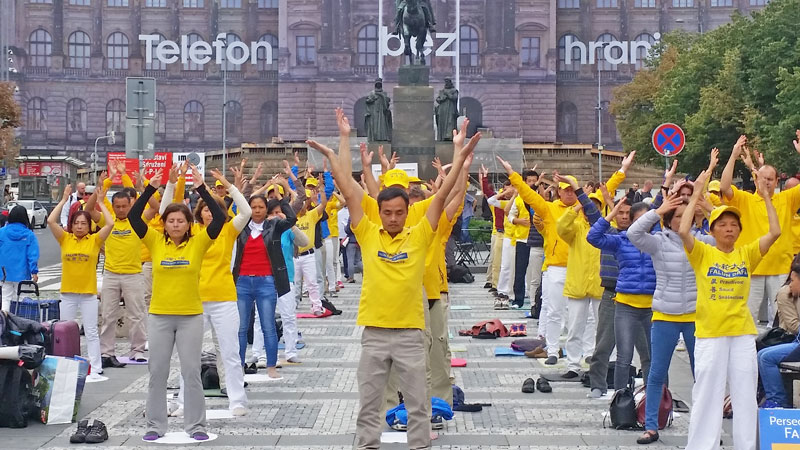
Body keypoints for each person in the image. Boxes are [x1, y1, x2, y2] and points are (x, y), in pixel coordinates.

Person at [306, 114, 478, 450]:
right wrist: (336, 149)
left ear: (408, 208)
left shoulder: (419, 236)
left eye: (400, 211)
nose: (395, 217)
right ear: (380, 211)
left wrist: (459, 156)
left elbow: (444, 196)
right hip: (374, 333)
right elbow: (349, 189)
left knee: (418, 407)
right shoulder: (368, 233)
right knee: (369, 406)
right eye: (388, 212)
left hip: (411, 333)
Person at [680, 167, 780, 450]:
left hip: (741, 333)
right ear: (712, 230)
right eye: (722, 224)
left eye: (733, 224)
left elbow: (775, 231)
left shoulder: (746, 254)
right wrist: (697, 192)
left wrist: (767, 196)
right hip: (711, 333)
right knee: (708, 393)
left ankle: (746, 445)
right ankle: (702, 446)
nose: (729, 229)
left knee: (745, 394)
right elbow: (683, 230)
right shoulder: (702, 252)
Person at [128, 167, 226, 442]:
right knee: (157, 372)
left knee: (191, 372)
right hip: (159, 316)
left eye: (180, 221)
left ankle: (196, 427)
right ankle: (155, 426)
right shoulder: (155, 240)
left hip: (190, 317)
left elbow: (220, 217)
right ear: (165, 223)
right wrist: (151, 187)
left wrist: (202, 188)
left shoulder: (200, 243)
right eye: (170, 220)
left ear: (188, 224)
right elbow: (134, 216)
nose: (175, 225)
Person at [164, 167, 251, 417]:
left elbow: (245, 211)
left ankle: (237, 400)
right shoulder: (191, 233)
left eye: (212, 210)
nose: (208, 214)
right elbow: (167, 214)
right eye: (204, 209)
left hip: (224, 299)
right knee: (188, 354)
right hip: (195, 300)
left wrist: (227, 185)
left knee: (230, 351)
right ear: (198, 213)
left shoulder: (228, 230)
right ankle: (182, 401)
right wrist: (173, 184)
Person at [629, 192, 713, 444]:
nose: (683, 219)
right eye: (677, 216)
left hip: (696, 316)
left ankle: (707, 428)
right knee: (656, 373)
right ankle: (651, 426)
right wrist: (658, 209)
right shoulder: (658, 241)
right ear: (668, 220)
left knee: (702, 373)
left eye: (687, 215)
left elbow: (728, 237)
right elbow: (633, 233)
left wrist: (708, 209)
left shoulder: (701, 240)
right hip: (665, 314)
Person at [720, 134, 800, 327]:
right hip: (752, 267)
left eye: (771, 179)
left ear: (776, 181)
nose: (766, 182)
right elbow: (724, 186)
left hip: (780, 268)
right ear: (756, 179)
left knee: (781, 320)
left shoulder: (786, 199)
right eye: (762, 178)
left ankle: (777, 354)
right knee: (747, 318)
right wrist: (733, 156)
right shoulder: (744, 199)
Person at [587, 199, 657, 390]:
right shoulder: (619, 239)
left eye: (647, 220)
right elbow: (593, 235)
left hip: (651, 305)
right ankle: (604, 389)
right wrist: (610, 214)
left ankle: (655, 397)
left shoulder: (658, 241)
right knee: (611, 350)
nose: (625, 216)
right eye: (622, 213)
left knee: (651, 355)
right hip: (619, 299)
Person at [47, 183, 113, 376]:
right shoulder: (65, 238)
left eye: (84, 223)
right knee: (64, 332)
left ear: (89, 226)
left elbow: (109, 224)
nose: (80, 226)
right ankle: (66, 366)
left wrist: (100, 201)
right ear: (71, 225)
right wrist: (63, 199)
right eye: (76, 223)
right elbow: (51, 221)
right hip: (68, 294)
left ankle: (96, 367)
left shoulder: (94, 240)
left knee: (91, 332)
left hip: (88, 294)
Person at [232, 188, 297, 379]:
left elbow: (292, 219)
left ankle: (271, 366)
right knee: (242, 327)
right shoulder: (240, 227)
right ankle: (239, 365)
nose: (257, 210)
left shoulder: (274, 225)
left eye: (261, 207)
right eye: (253, 207)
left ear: (266, 209)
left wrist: (281, 200)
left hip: (266, 281)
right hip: (242, 281)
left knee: (268, 325)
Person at [757, 265, 800, 409]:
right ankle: (772, 398)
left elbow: (794, 325)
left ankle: (778, 401)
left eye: (793, 280)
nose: (790, 284)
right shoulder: (787, 293)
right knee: (762, 353)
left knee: (766, 358)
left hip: (797, 341)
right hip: (795, 339)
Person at [294, 179, 328, 315]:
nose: (302, 204)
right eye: (301, 201)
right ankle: (294, 304)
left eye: (305, 201)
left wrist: (322, 192)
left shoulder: (311, 215)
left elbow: (323, 204)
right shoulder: (292, 216)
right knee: (295, 283)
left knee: (312, 282)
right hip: (295, 255)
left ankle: (316, 306)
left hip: (309, 255)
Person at [0, 205, 38, 311]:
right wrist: (34, 271)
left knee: (5, 299)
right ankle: (21, 324)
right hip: (22, 272)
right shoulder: (29, 235)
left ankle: (4, 323)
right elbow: (32, 255)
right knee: (23, 299)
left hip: (4, 272)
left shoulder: (1, 233)